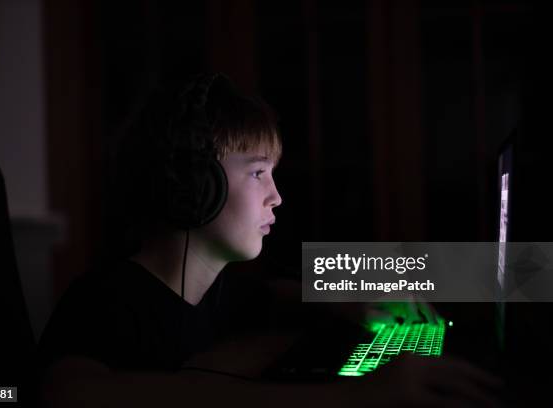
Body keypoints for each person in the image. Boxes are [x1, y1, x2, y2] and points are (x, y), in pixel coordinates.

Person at [35, 73, 502, 407]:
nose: (276, 197)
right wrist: (352, 397)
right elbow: (64, 392)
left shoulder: (222, 289)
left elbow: (279, 294)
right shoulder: (106, 298)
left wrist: (360, 300)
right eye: (258, 172)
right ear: (196, 186)